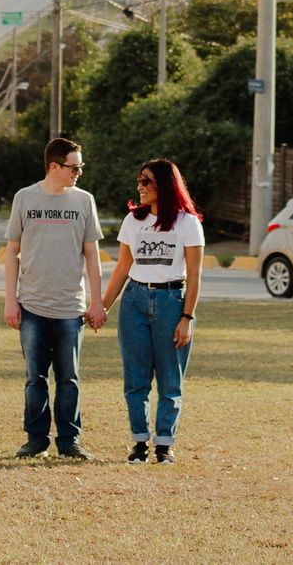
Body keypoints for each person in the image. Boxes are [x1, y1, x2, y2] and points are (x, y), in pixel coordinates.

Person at [3, 135, 107, 460]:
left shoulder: (84, 201)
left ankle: (69, 441)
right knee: (35, 378)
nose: (79, 173)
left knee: (68, 379)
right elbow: (12, 252)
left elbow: (92, 254)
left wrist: (97, 301)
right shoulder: (24, 198)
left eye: (80, 167)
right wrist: (10, 300)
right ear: (54, 167)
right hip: (32, 306)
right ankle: (36, 439)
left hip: (70, 308)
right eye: (74, 167)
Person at [98, 156, 205, 463]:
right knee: (136, 379)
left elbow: (195, 275)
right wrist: (102, 308)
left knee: (170, 379)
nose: (140, 187)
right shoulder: (133, 220)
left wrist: (187, 317)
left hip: (172, 301)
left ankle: (164, 445)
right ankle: (139, 443)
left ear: (165, 185)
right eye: (139, 181)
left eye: (146, 181)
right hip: (134, 300)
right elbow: (122, 267)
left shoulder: (188, 223)